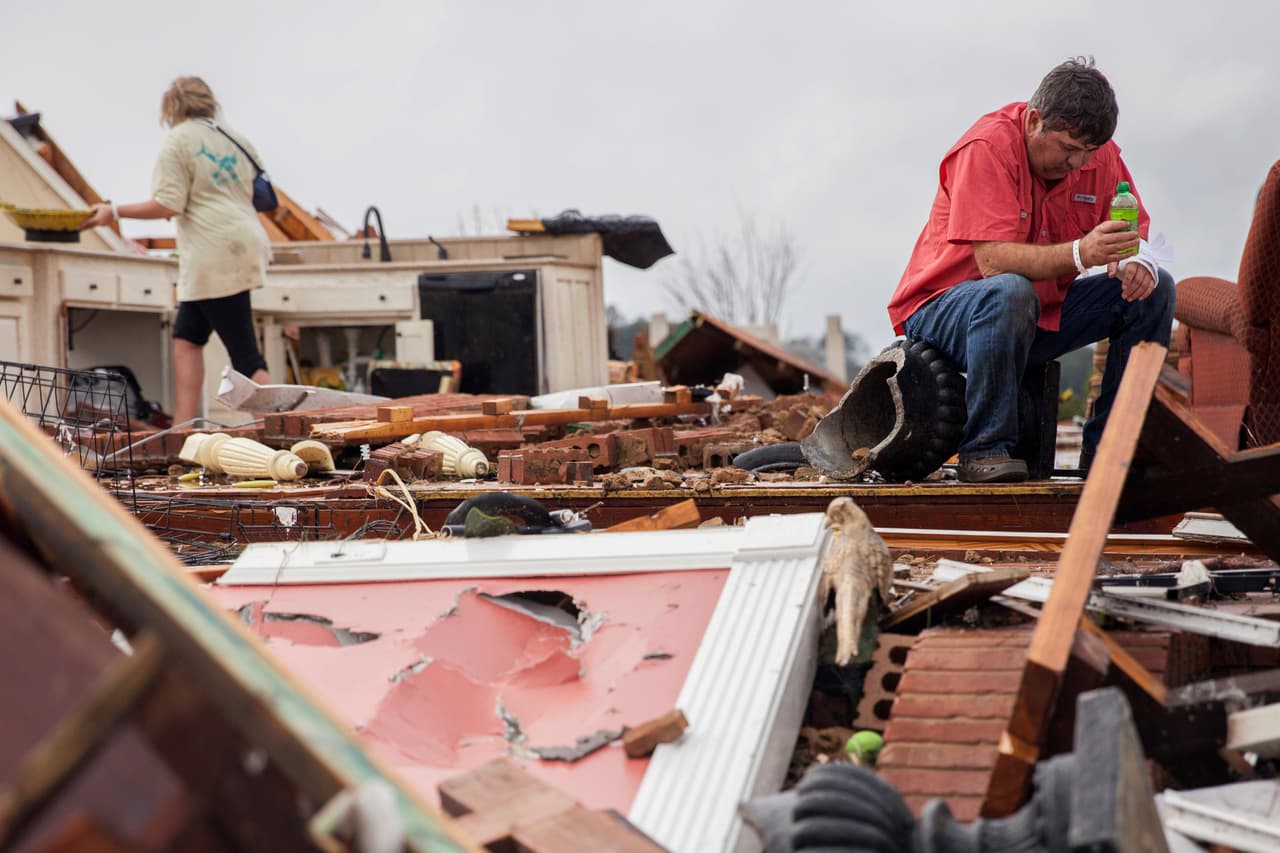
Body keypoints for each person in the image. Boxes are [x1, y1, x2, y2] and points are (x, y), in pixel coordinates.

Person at [886, 57, 1174, 483]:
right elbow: (993, 262)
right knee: (1009, 290)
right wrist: (1080, 253)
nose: (1078, 165)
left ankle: (1112, 454)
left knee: (1155, 291)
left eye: (1088, 153)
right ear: (1034, 121)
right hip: (942, 311)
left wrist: (1137, 262)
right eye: (1068, 150)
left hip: (1033, 312)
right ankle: (984, 450)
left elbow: (1137, 230)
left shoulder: (1098, 156)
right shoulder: (986, 147)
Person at [82, 75, 271, 424]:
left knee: (246, 357)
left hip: (212, 251)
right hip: (243, 241)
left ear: (170, 108)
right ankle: (184, 431)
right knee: (186, 338)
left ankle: (278, 428)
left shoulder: (178, 141)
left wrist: (114, 212)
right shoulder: (233, 138)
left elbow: (168, 204)